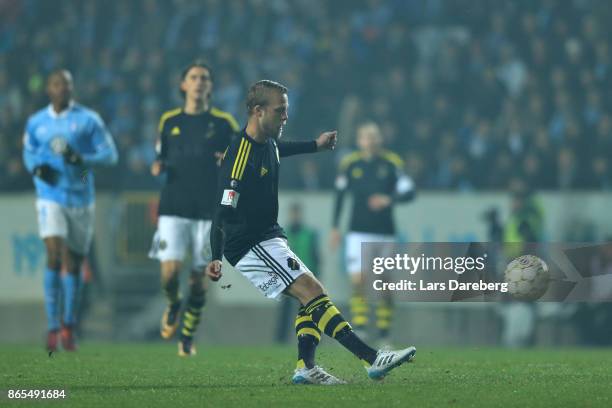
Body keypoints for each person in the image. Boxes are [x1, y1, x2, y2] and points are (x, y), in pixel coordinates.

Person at [206, 80, 416, 385]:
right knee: (312, 291)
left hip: (269, 236)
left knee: (311, 297)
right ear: (257, 111)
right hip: (249, 243)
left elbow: (283, 149)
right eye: (280, 111)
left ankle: (306, 366)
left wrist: (315, 145)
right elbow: (221, 211)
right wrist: (215, 256)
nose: (285, 117)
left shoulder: (267, 143)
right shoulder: (239, 156)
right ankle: (371, 358)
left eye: (286, 111)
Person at [22, 69, 118, 352]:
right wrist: (36, 167)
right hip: (49, 197)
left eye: (66, 84)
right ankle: (53, 325)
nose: (61, 89)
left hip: (80, 198)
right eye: (56, 84)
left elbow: (110, 155)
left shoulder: (88, 120)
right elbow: (28, 152)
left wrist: (82, 159)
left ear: (72, 89)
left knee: (74, 262)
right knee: (54, 253)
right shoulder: (36, 122)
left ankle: (69, 324)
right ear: (48, 89)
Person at [149, 60, 238, 356]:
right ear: (183, 85)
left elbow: (241, 159)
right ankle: (173, 303)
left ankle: (187, 336)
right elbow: (161, 156)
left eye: (204, 78)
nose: (199, 82)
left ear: (210, 87)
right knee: (170, 274)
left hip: (209, 211)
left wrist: (227, 161)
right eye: (194, 77)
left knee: (198, 280)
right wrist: (157, 165)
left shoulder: (225, 124)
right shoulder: (169, 122)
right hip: (174, 205)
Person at [330, 122, 415, 345]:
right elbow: (339, 195)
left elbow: (409, 192)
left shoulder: (391, 163)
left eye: (375, 136)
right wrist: (335, 227)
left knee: (385, 282)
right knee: (358, 280)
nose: (371, 140)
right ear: (359, 141)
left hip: (385, 232)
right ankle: (360, 328)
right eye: (367, 137)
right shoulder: (350, 164)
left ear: (380, 139)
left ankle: (384, 334)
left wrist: (390, 199)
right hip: (358, 231)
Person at [275, 202, 320, 343]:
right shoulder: (282, 234)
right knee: (285, 312)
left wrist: (317, 278)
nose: (295, 216)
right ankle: (280, 339)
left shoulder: (309, 234)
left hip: (305, 278)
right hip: (287, 279)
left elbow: (316, 256)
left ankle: (312, 338)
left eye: (297, 213)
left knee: (310, 310)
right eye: (293, 213)